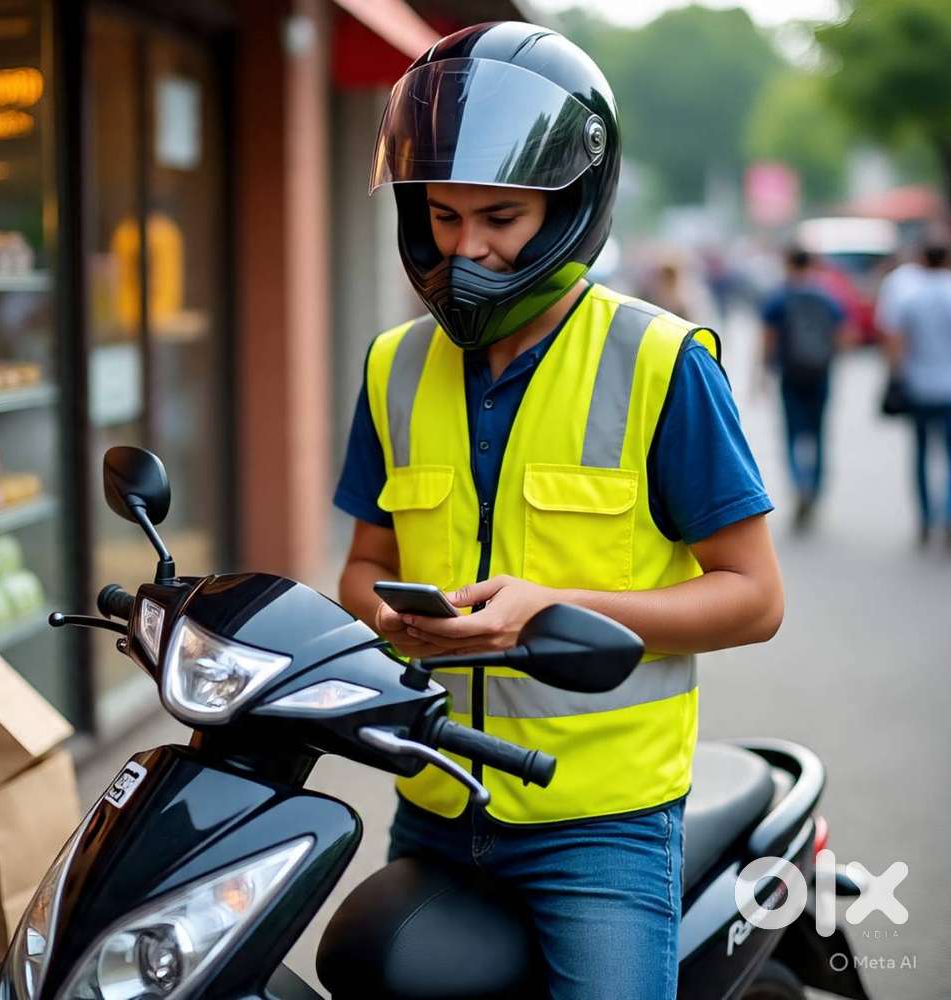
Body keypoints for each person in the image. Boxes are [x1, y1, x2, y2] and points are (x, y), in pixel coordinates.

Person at [334, 22, 783, 1000]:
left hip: (602, 827)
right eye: (443, 218)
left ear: (571, 203)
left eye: (501, 217)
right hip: (433, 799)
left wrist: (545, 609)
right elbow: (361, 567)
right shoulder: (392, 366)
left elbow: (753, 598)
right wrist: (389, 614)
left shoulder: (660, 362)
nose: (468, 249)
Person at [761, 247, 849, 529]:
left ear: (788, 263)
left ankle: (799, 483)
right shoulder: (827, 296)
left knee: (792, 435)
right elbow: (844, 335)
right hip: (820, 374)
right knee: (819, 434)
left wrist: (762, 373)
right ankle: (815, 488)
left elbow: (768, 339)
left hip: (790, 375)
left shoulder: (779, 297)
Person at [880, 241, 951, 548]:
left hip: (919, 385)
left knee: (921, 454)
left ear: (922, 259)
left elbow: (896, 340)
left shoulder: (912, 298)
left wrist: (896, 375)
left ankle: (925, 518)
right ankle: (947, 516)